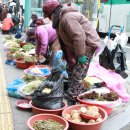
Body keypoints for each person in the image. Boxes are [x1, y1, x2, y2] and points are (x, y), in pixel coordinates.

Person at [42, 1, 101, 105]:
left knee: (77, 74)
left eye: (49, 16)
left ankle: (73, 98)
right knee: (70, 70)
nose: (49, 19)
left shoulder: (67, 18)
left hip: (87, 46)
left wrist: (81, 55)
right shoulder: (61, 20)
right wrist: (66, 55)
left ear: (54, 13)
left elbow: (79, 36)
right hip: (80, 47)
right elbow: (64, 41)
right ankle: (79, 90)